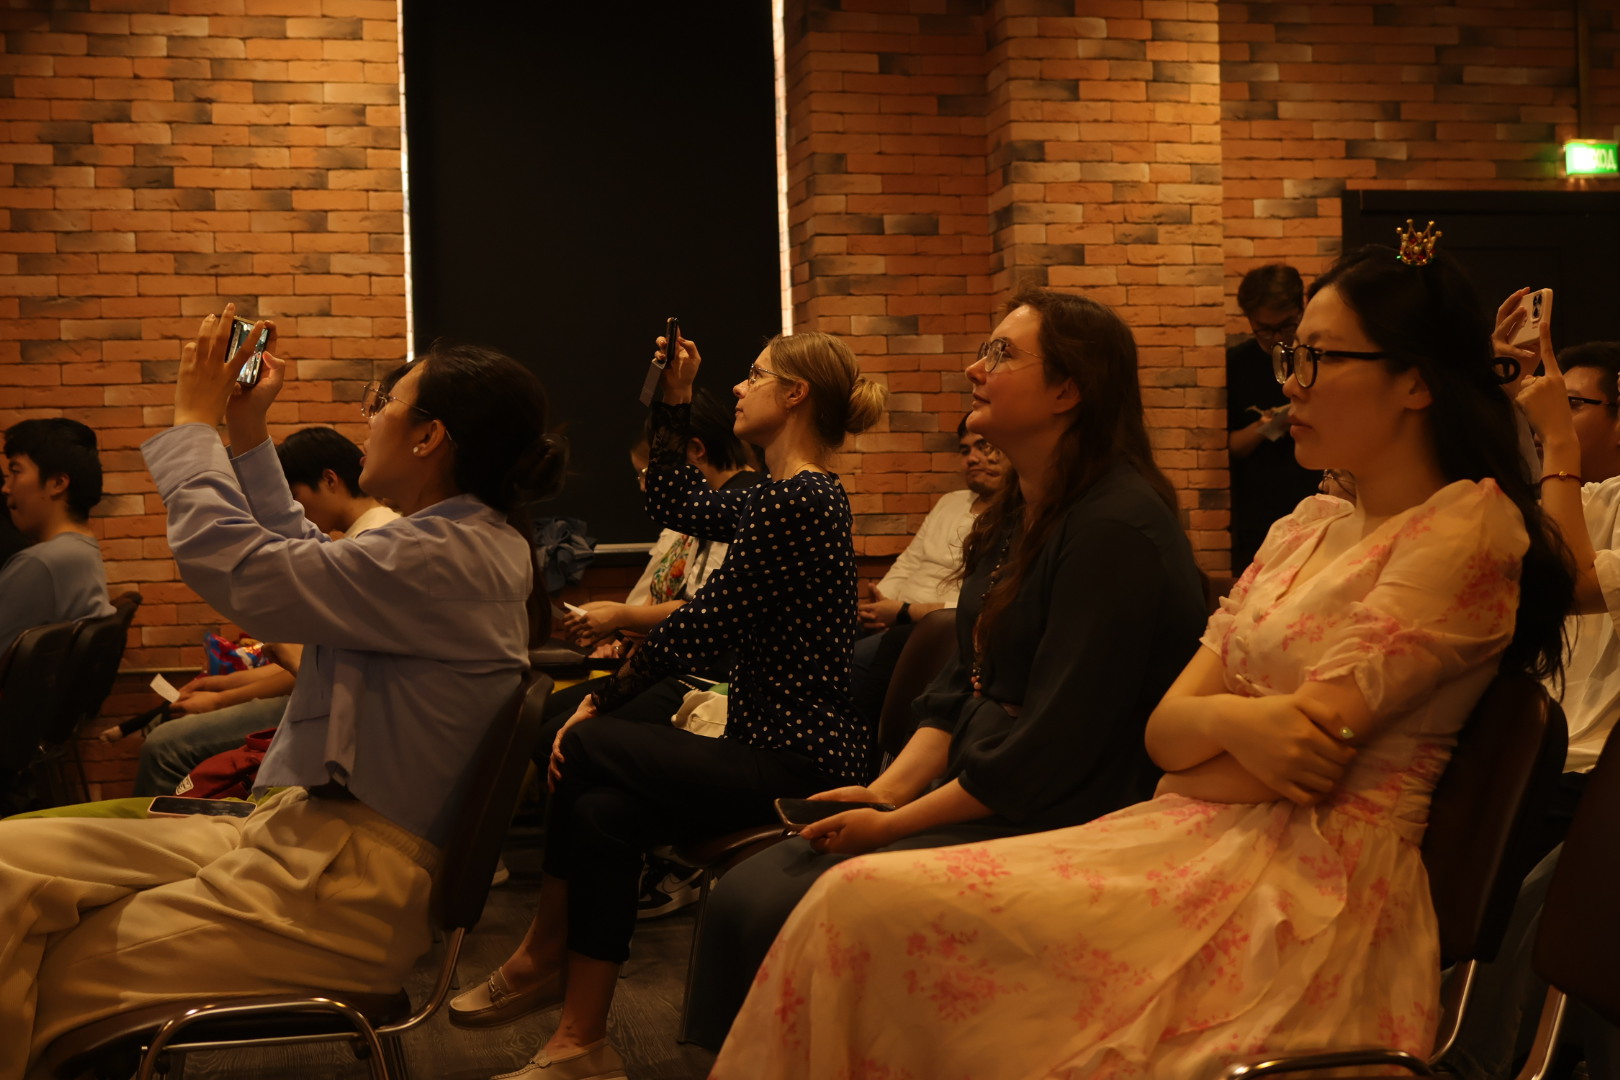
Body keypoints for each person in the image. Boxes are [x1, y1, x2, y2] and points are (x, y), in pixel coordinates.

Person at [709, 232, 1573, 1079]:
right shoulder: (1308, 524)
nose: (1290, 385)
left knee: (866, 914)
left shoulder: (1465, 528)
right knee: (850, 905)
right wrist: (1234, 731)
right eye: (1291, 358)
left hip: (1311, 892)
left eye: (1317, 358)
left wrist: (1209, 741)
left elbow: (1301, 757)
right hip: (1192, 836)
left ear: (1415, 380)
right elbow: (1167, 733)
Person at [0, 308, 563, 1077]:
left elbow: (240, 566)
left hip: (343, 891)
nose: (369, 419)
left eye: (384, 403)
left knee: (41, 966)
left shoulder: (445, 554)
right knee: (10, 865)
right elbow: (297, 553)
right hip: (309, 846)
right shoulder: (455, 540)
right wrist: (245, 431)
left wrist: (193, 422)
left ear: (429, 436)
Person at [683, 287, 1209, 1050]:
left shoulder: (1117, 527)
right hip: (988, 780)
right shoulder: (1017, 509)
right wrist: (887, 789)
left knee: (808, 903)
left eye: (1001, 354)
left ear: (1068, 391)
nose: (973, 368)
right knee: (749, 891)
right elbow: (959, 681)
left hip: (1070, 810)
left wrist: (897, 822)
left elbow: (1055, 746)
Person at [450, 329, 885, 1080]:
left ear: (795, 395)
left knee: (585, 745)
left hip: (801, 758)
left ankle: (543, 952)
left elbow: (703, 626)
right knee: (601, 811)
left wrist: (600, 704)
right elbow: (671, 497)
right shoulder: (774, 496)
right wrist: (673, 398)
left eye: (755, 376)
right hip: (759, 743)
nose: (739, 387)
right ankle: (581, 1042)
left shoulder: (804, 499)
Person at [550, 389, 763, 919]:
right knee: (558, 728)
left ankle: (653, 859)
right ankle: (574, 911)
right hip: (690, 665)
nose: (649, 487)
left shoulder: (766, 501)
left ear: (695, 452)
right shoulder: (721, 507)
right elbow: (680, 602)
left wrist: (621, 628)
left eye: (651, 471)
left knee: (574, 740)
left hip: (715, 682)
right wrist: (624, 637)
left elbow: (701, 617)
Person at [132, 426, 399, 797]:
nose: (297, 509)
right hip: (326, 701)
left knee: (165, 747)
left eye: (295, 496)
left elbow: (315, 661)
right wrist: (223, 685)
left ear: (329, 479)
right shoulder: (364, 537)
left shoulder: (380, 540)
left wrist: (222, 697)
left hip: (341, 718)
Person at [849, 416, 1006, 724]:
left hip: (937, 629)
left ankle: (859, 745)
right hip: (896, 616)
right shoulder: (951, 502)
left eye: (983, 446)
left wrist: (903, 612)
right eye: (964, 450)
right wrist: (881, 605)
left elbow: (976, 605)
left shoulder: (1011, 516)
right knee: (823, 644)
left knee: (848, 665)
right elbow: (910, 560)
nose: (972, 458)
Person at [1226, 263, 1323, 570]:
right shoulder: (1235, 364)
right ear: (1250, 320)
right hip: (1258, 512)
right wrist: (1266, 425)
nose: (1277, 338)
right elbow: (1231, 446)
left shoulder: (1319, 357)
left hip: (1318, 502)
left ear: (1300, 310)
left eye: (1287, 326)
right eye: (1265, 330)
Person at [0, 418, 115, 658]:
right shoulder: (82, 550)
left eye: (15, 472)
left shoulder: (39, 563)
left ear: (57, 483)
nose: (6, 488)